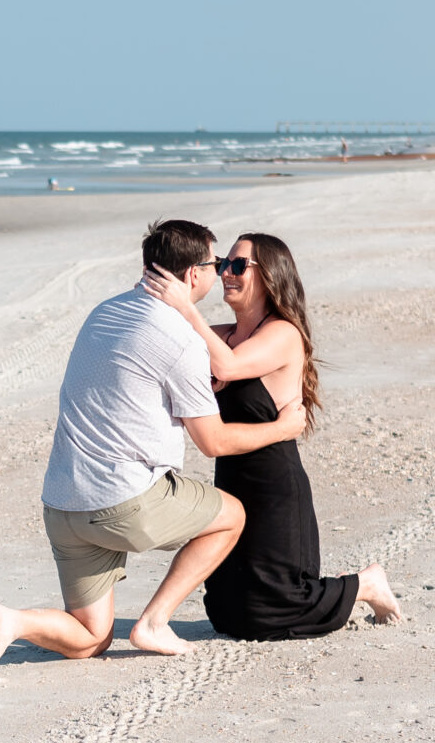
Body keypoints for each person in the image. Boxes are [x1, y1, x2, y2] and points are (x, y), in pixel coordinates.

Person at [0, 220, 306, 680]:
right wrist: (285, 428)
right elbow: (214, 443)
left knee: (90, 638)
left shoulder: (103, 312)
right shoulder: (181, 339)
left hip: (62, 504)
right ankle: (154, 621)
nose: (222, 271)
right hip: (123, 503)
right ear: (192, 277)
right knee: (232, 516)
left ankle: (12, 621)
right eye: (216, 263)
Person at [143, 232, 401, 641]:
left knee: (276, 607)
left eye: (239, 266)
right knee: (228, 613)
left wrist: (187, 312)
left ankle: (365, 584)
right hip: (230, 478)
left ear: (270, 277)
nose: (226, 272)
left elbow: (226, 367)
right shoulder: (220, 334)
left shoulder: (283, 334)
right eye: (224, 264)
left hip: (275, 486)